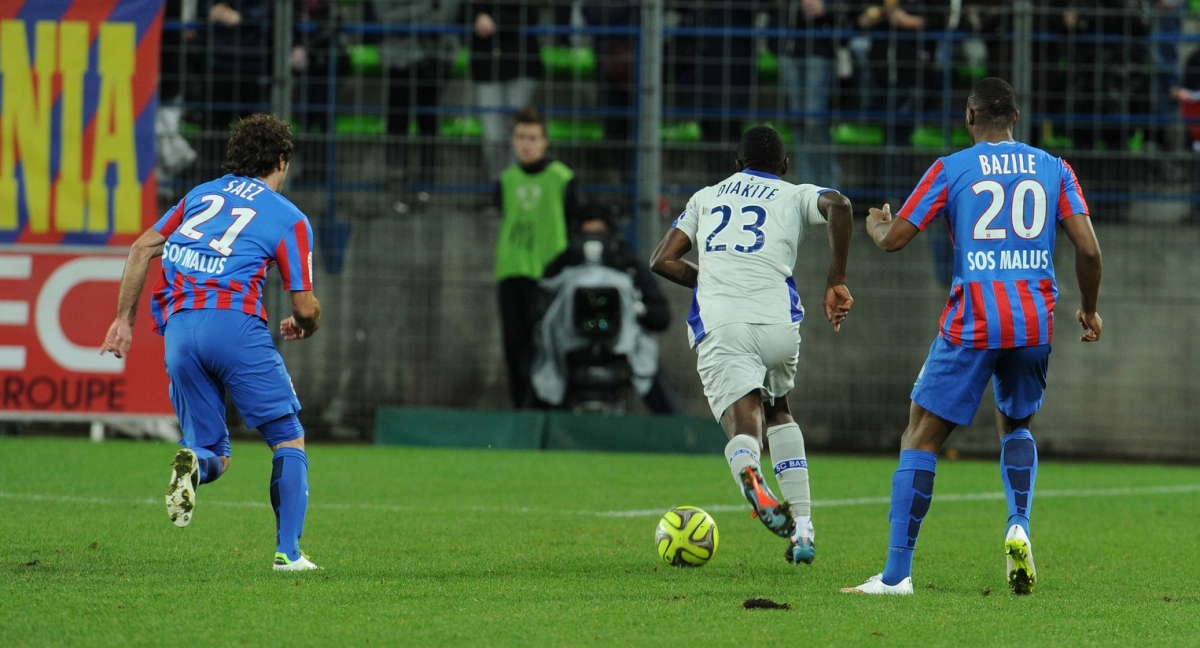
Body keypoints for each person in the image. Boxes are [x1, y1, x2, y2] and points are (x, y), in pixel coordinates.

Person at [842, 78, 1103, 596]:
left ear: (969, 117)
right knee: (1017, 425)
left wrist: (875, 225)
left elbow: (894, 240)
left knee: (919, 436)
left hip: (974, 320)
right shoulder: (1055, 168)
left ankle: (895, 576)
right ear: (1016, 118)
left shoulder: (950, 169)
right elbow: (1090, 250)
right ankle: (1018, 525)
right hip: (1033, 321)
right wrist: (1090, 309)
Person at [101, 114, 323, 572]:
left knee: (214, 451)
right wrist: (308, 323)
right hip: (234, 326)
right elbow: (304, 306)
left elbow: (142, 247)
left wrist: (123, 320)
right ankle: (288, 554)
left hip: (179, 331)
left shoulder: (200, 195)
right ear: (282, 160)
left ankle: (194, 465)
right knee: (288, 437)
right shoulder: (289, 218)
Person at [649, 125, 854, 565]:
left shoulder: (706, 197)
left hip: (724, 325)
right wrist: (835, 279)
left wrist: (710, 278)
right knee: (779, 410)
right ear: (784, 166)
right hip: (779, 324)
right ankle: (803, 528)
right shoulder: (793, 194)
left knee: (744, 426)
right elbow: (839, 205)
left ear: (737, 164)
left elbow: (662, 260)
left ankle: (749, 472)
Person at [536, 204, 686, 415]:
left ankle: (680, 428)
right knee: (540, 370)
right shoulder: (562, 266)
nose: (593, 241)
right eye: (587, 235)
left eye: (599, 234)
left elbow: (661, 317)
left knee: (649, 365)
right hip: (570, 352)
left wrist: (636, 309)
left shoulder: (628, 265)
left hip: (620, 352)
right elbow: (538, 311)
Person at [494, 105, 579, 409]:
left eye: (532, 138)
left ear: (544, 142)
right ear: (513, 141)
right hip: (512, 274)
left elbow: (572, 226)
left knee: (551, 349)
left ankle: (554, 413)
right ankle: (523, 413)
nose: (526, 145)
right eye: (520, 138)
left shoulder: (563, 179)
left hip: (549, 278)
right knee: (515, 350)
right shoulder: (505, 180)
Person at [462, 1, 544, 180]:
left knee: (517, 129)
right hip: (486, 65)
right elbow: (462, 13)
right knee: (493, 133)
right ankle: (498, 183)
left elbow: (532, 14)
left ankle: (514, 183)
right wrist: (479, 18)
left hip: (521, 63)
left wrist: (495, 23)